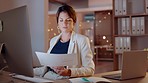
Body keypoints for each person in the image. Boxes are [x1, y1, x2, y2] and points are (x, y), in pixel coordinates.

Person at [34, 4, 95, 79]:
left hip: (63, 79)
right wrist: (29, 71)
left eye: (68, 20)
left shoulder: (82, 40)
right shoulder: (53, 40)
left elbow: (90, 69)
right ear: (58, 23)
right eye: (61, 20)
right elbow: (46, 68)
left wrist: (69, 72)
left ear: (74, 22)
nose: (64, 23)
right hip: (46, 77)